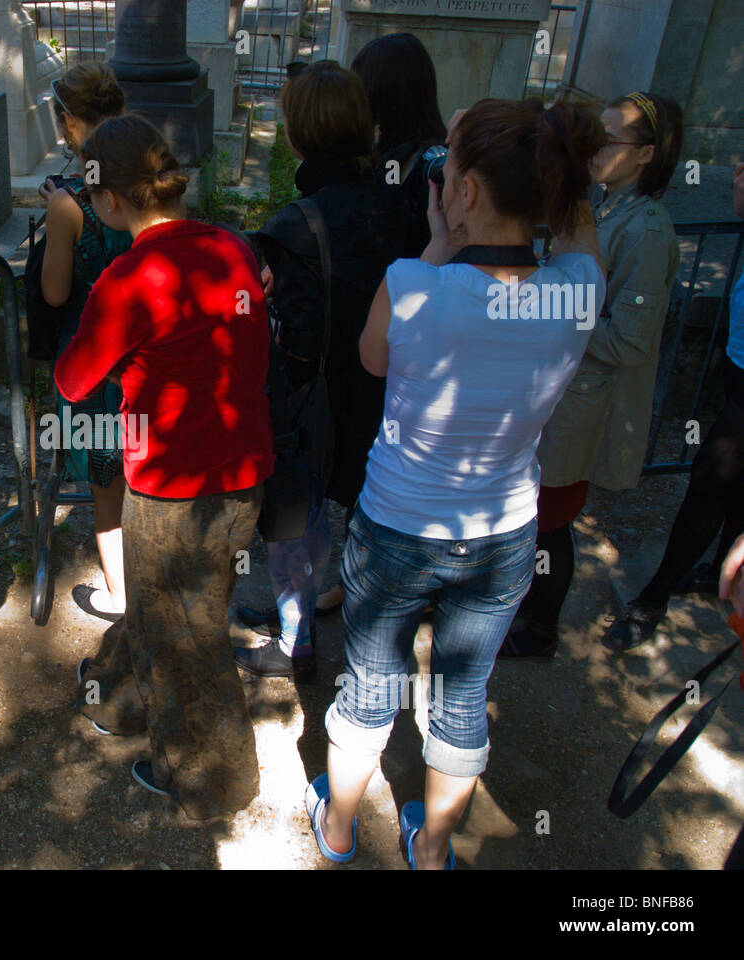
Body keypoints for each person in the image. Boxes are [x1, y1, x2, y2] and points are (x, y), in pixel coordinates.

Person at [307, 98, 607, 868]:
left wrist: (440, 247)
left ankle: (337, 831)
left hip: (396, 529)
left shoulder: (412, 284)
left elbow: (374, 360)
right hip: (503, 533)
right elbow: (576, 235)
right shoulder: (577, 291)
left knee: (370, 688)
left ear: (465, 190)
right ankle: (434, 852)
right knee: (461, 698)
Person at [55, 115, 275, 819]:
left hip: (175, 486)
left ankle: (213, 781)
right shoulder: (229, 248)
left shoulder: (126, 280)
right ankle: (119, 700)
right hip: (244, 472)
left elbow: (71, 381)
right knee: (169, 611)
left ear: (111, 200)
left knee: (189, 639)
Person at [234, 61, 407, 682]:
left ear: (301, 131)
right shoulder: (404, 205)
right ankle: (372, 648)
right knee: (374, 517)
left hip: (313, 405)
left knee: (295, 526)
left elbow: (298, 344)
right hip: (390, 392)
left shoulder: (295, 226)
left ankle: (296, 642)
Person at [503, 91, 684, 659]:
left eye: (613, 140)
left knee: (551, 522)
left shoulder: (647, 231)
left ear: (648, 153)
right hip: (560, 390)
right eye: (595, 136)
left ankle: (541, 628)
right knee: (536, 516)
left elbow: (630, 337)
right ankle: (526, 609)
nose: (598, 149)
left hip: (582, 402)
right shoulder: (603, 205)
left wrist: (549, 318)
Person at [602, 157, 744, 652]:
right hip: (737, 362)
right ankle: (718, 563)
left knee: (711, 475)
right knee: (732, 480)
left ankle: (654, 598)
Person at [38, 62, 133, 622]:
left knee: (106, 483)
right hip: (150, 357)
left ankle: (121, 594)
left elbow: (53, 294)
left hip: (96, 366)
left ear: (70, 124)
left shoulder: (68, 204)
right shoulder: (151, 183)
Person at [351, 32, 448, 258]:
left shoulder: (433, 167)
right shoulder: (381, 151)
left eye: (361, 86)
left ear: (386, 92)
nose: (355, 97)